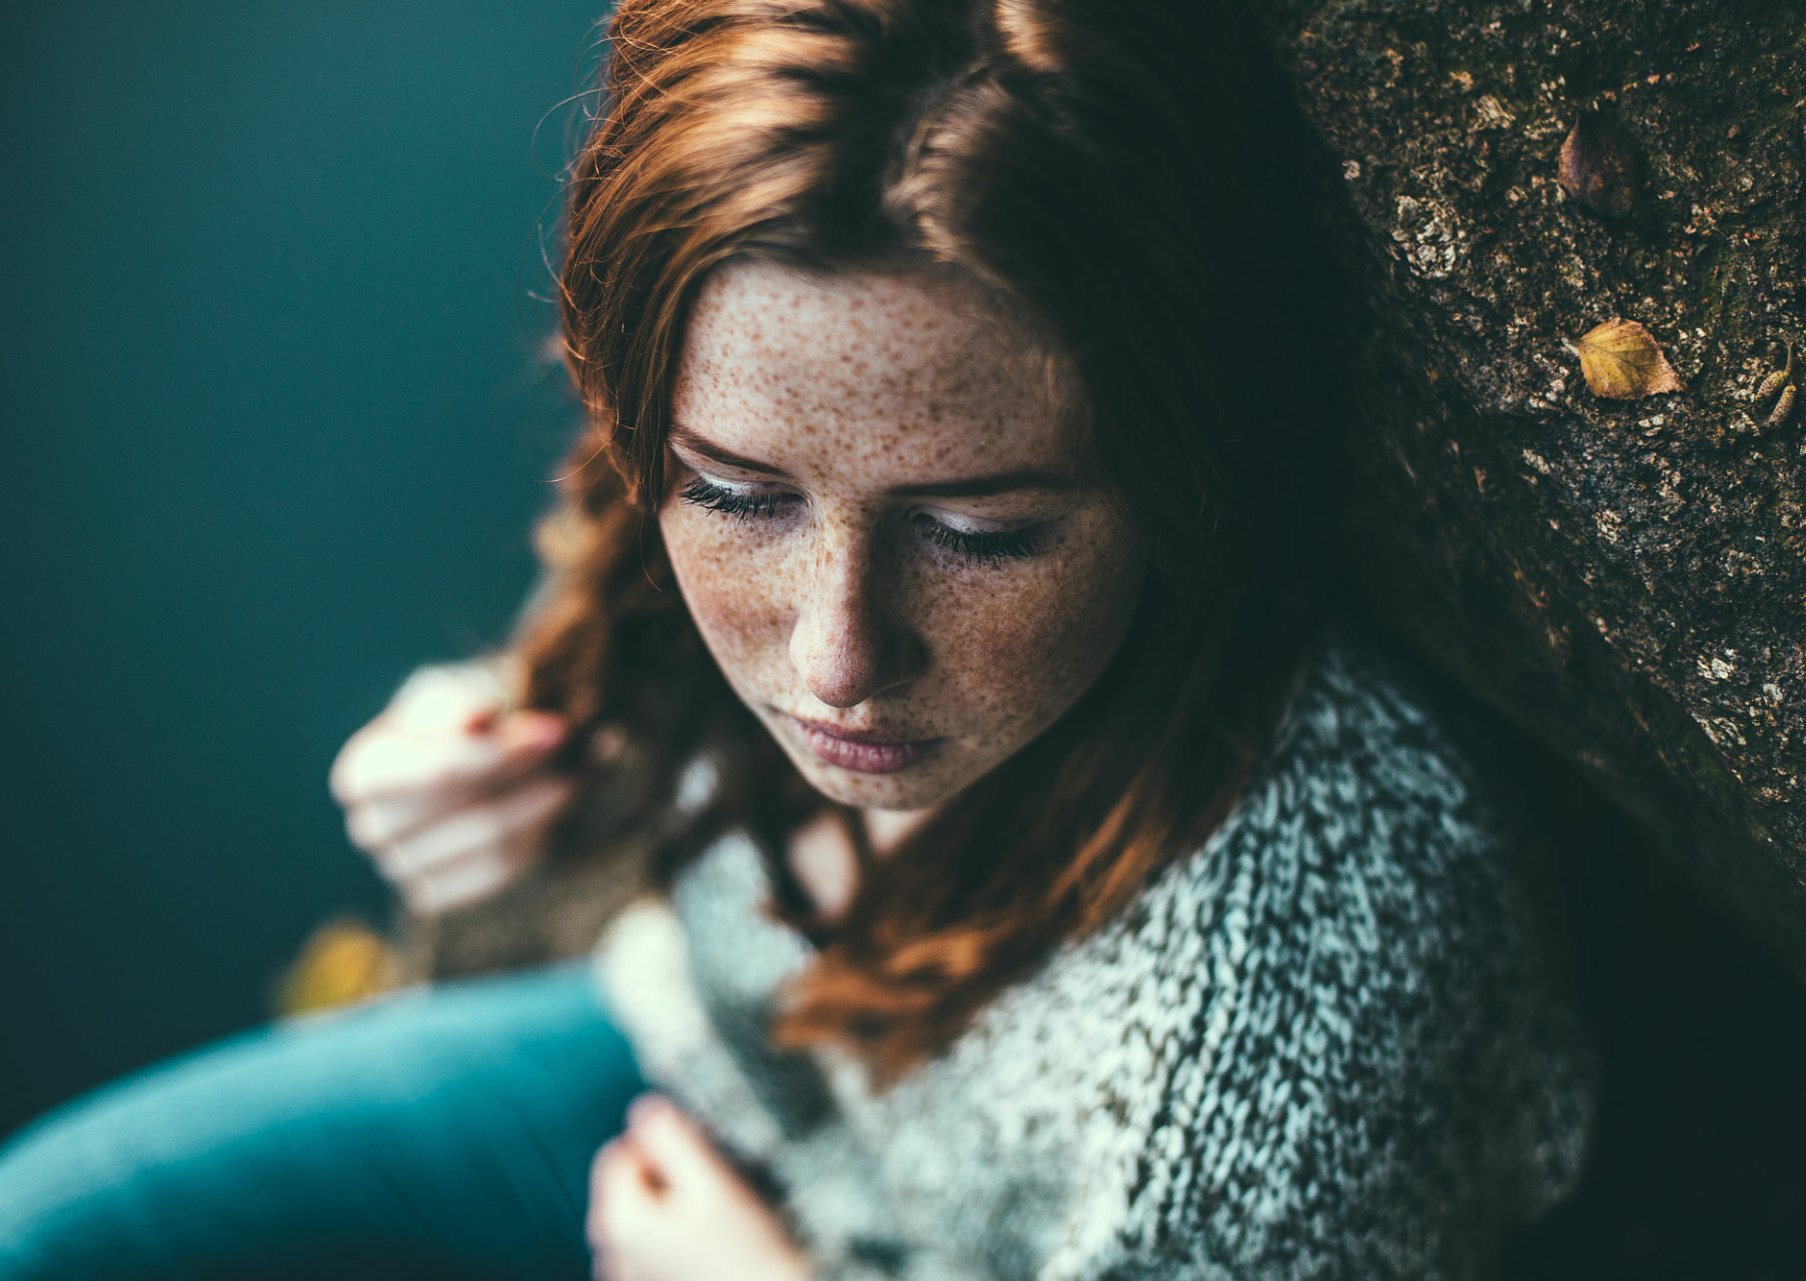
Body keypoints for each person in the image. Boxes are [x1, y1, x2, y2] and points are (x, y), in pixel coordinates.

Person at [0, 0, 1601, 1277]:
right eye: (737, 496)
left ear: (1187, 468)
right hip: (675, 1062)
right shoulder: (709, 476)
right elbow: (627, 742)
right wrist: (493, 774)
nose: (835, 657)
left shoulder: (1294, 1011)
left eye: (982, 531)